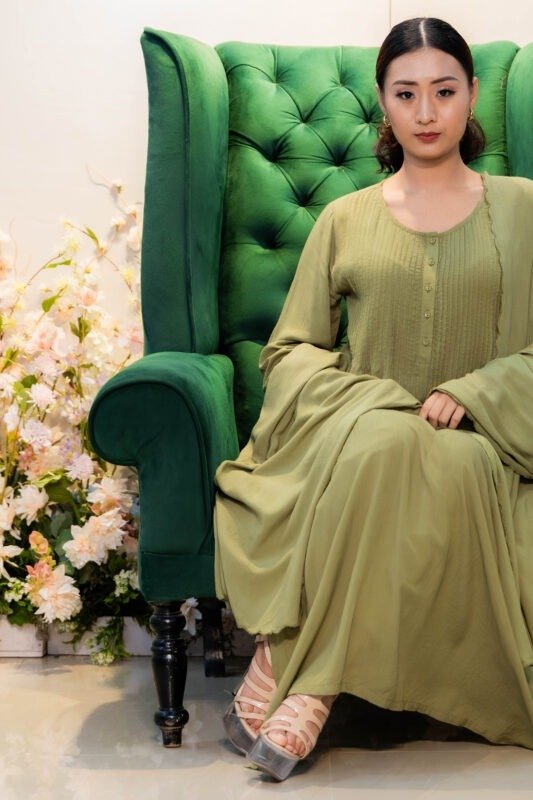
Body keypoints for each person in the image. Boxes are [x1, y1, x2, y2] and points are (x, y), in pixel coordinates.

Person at [214, 16, 533, 781]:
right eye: (405, 94)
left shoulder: (525, 209)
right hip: (358, 437)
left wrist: (479, 390)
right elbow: (289, 352)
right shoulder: (344, 218)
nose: (426, 113)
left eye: (443, 91)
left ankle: (294, 679)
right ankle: (314, 687)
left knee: (410, 455)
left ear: (471, 94)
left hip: (483, 449)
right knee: (384, 442)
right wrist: (372, 404)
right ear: (382, 104)